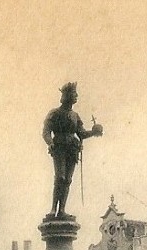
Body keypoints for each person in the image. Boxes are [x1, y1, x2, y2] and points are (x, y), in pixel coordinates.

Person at [42, 82, 103, 218]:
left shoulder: (75, 116)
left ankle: (61, 210)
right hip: (59, 148)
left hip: (72, 149)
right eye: (74, 93)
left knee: (68, 180)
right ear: (66, 95)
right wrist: (50, 142)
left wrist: (93, 132)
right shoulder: (55, 113)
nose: (76, 96)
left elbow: (81, 133)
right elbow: (46, 131)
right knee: (60, 177)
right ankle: (53, 209)